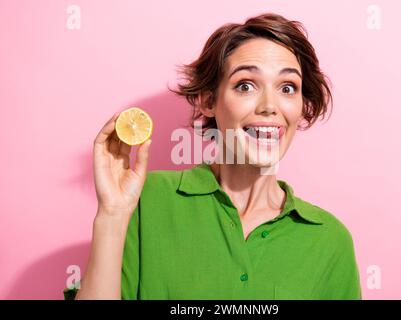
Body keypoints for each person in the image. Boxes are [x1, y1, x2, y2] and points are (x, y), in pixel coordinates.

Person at [67, 13, 361, 300]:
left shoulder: (330, 241)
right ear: (209, 101)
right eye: (245, 85)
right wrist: (112, 216)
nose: (270, 106)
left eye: (287, 88)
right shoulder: (146, 200)